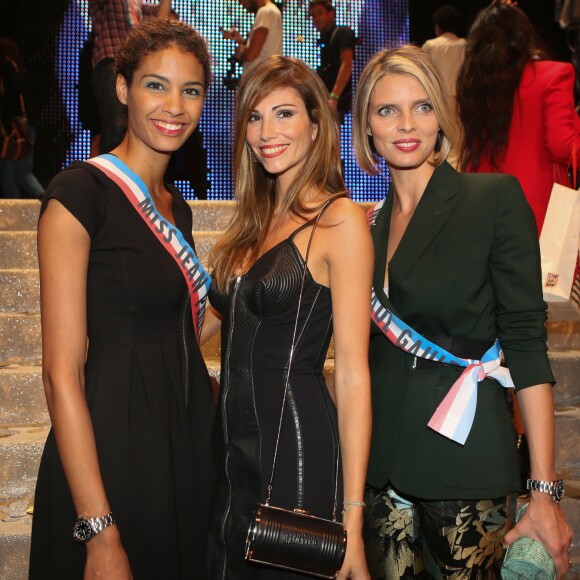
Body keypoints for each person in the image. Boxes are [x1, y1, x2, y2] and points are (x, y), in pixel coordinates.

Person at [352, 45, 573, 579]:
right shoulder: (363, 226)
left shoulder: (491, 198)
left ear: (441, 117)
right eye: (387, 110)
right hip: (378, 472)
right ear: (367, 128)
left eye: (422, 107)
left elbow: (524, 342)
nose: (407, 124)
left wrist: (543, 489)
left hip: (466, 466)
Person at [28, 18, 214, 579]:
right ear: (121, 88)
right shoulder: (79, 194)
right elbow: (61, 373)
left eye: (192, 90)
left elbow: (174, 327)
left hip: (179, 442)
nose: (174, 106)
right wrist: (98, 531)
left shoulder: (175, 208)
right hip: (114, 452)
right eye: (156, 84)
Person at [205, 55, 373, 579]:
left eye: (283, 114)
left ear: (316, 124)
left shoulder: (339, 219)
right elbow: (204, 329)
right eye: (253, 117)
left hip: (294, 454)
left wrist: (353, 521)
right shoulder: (249, 225)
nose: (265, 132)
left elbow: (351, 374)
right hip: (231, 454)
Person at [457, 2, 580, 234]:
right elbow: (562, 145)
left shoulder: (473, 85)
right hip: (537, 208)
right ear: (523, 36)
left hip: (481, 205)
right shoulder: (554, 75)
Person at [87, 0, 173, 154]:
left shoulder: (136, 2)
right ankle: (110, 176)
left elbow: (159, 18)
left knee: (131, 129)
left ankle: (126, 175)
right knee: (115, 128)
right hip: (110, 63)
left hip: (132, 69)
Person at [421, 5, 465, 168]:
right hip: (460, 100)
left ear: (437, 26)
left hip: (436, 100)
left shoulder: (430, 45)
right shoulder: (464, 45)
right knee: (458, 144)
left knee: (437, 142)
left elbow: (424, 74)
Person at [0, 38, 44, 199]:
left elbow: (11, 95)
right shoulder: (20, 68)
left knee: (7, 175)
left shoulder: (5, 66)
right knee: (23, 173)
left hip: (14, 130)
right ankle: (46, 200)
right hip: (27, 128)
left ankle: (13, 219)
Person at [309, 0, 355, 124]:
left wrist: (334, 97)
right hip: (325, 100)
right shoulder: (325, 39)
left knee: (331, 139)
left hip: (335, 101)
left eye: (320, 13)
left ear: (331, 14)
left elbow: (346, 64)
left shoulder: (342, 33)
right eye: (313, 16)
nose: (316, 19)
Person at [221, 0, 282, 79]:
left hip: (257, 81)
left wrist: (240, 51)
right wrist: (242, 41)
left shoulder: (265, 12)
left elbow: (251, 55)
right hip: (264, 79)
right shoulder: (274, 11)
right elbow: (263, 47)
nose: (242, 4)